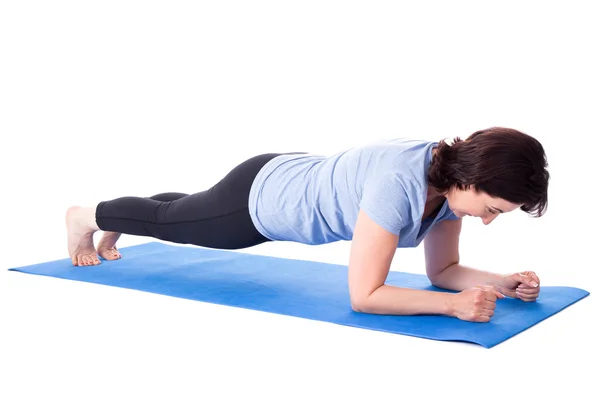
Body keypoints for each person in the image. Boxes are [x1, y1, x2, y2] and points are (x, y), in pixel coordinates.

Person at [65, 126, 549, 323]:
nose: (487, 221)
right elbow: (364, 297)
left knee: (184, 213)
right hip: (261, 201)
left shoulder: (448, 193)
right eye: (492, 209)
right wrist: (453, 310)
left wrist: (498, 283)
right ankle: (85, 216)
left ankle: (133, 216)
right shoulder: (396, 185)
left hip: (289, 177)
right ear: (469, 178)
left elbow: (442, 273)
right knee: (178, 222)